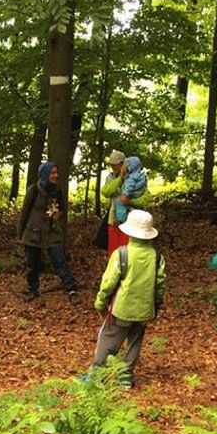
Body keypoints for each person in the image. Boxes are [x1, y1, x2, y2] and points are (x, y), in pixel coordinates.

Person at [88, 210, 166, 388]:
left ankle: (96, 376)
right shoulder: (157, 257)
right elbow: (160, 285)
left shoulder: (122, 254)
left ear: (129, 232)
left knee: (108, 339)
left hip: (121, 309)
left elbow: (108, 282)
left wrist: (100, 302)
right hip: (145, 311)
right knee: (135, 342)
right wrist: (157, 305)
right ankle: (126, 377)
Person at [18, 160, 79, 303]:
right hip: (33, 233)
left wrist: (59, 214)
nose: (56, 175)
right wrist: (20, 234)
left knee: (60, 261)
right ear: (45, 174)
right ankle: (33, 290)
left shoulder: (57, 191)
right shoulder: (33, 190)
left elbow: (63, 209)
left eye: (56, 172)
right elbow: (24, 213)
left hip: (51, 233)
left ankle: (71, 290)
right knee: (32, 264)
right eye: (52, 173)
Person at [101, 151, 153, 256]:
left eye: (114, 164)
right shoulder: (110, 178)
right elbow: (106, 192)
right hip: (114, 219)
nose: (112, 167)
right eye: (111, 164)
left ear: (122, 164)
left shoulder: (137, 178)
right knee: (114, 252)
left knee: (127, 251)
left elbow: (147, 198)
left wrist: (130, 201)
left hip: (132, 221)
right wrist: (120, 178)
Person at [114, 156, 147, 224]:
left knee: (119, 202)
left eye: (125, 165)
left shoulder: (131, 178)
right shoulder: (141, 176)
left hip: (132, 195)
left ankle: (121, 219)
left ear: (130, 167)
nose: (123, 167)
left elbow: (130, 186)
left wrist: (125, 195)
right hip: (139, 193)